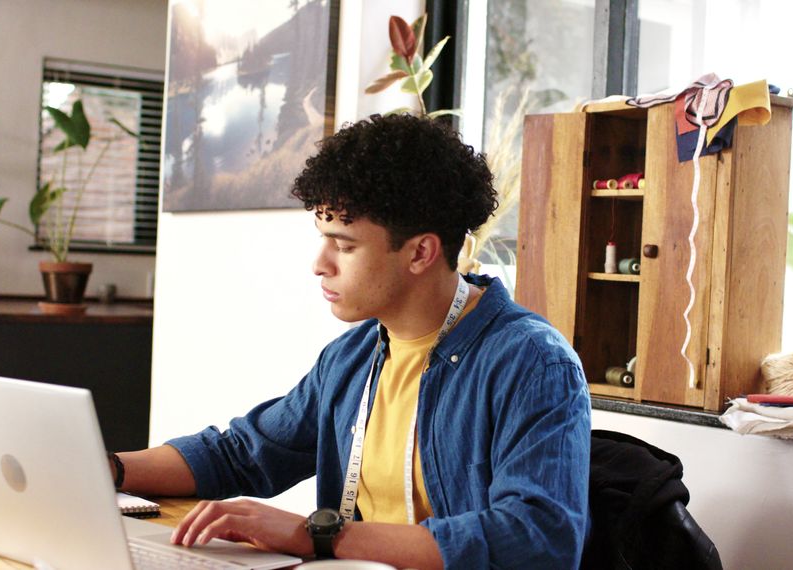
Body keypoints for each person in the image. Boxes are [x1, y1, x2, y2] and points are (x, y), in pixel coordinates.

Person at [111, 114, 591, 569]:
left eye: (344, 245)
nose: (320, 264)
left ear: (421, 251)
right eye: (324, 239)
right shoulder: (355, 355)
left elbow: (537, 540)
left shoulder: (532, 363)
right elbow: (240, 453)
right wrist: (107, 468)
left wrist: (315, 535)